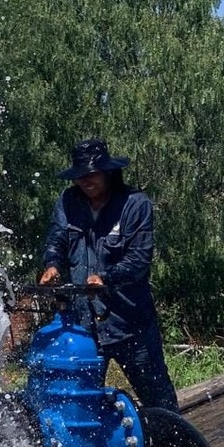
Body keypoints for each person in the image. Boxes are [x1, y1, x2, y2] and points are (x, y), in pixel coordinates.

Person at [39, 138, 179, 413]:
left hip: (130, 325)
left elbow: (139, 260)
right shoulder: (68, 202)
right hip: (85, 328)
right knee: (82, 405)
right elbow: (56, 241)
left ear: (108, 173)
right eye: (80, 176)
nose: (85, 181)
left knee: (160, 404)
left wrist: (106, 278)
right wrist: (52, 265)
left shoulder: (134, 204)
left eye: (91, 174)